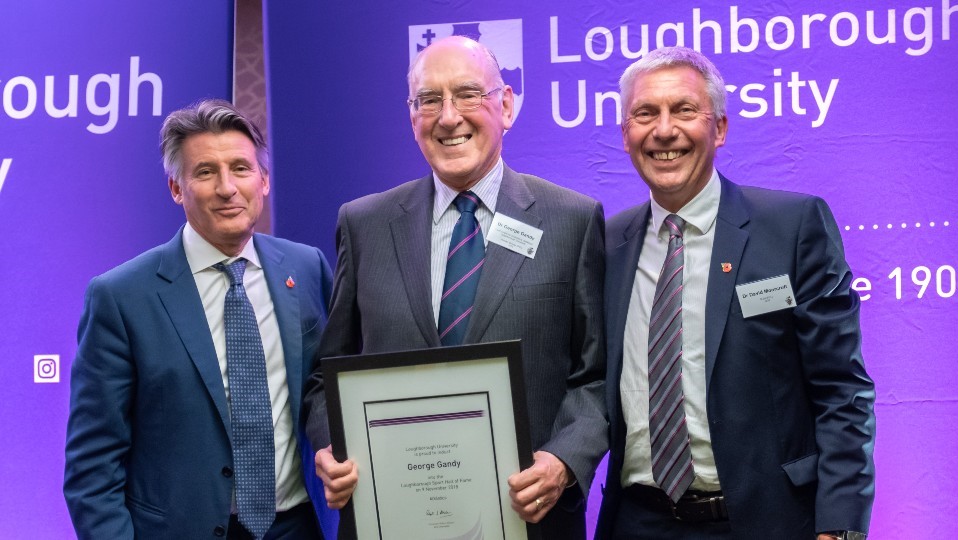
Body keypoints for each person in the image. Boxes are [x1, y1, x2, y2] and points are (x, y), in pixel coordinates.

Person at [303, 36, 607, 539]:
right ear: (412, 117)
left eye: (468, 94)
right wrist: (328, 446)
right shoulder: (364, 224)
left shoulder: (571, 220)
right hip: (392, 520)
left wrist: (562, 461)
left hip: (530, 521)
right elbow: (325, 375)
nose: (448, 117)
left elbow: (595, 376)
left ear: (505, 105)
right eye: (429, 100)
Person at [595, 47, 876, 540]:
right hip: (637, 523)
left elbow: (842, 392)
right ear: (625, 136)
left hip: (768, 523)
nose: (663, 131)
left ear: (719, 128)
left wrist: (840, 525)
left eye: (683, 110)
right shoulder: (604, 245)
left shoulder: (792, 228)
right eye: (644, 114)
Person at [64, 99, 333, 540]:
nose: (227, 187)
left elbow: (325, 386)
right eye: (205, 172)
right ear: (176, 188)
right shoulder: (121, 297)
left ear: (264, 181)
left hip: (298, 526)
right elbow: (92, 468)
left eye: (241, 169)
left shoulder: (305, 268)